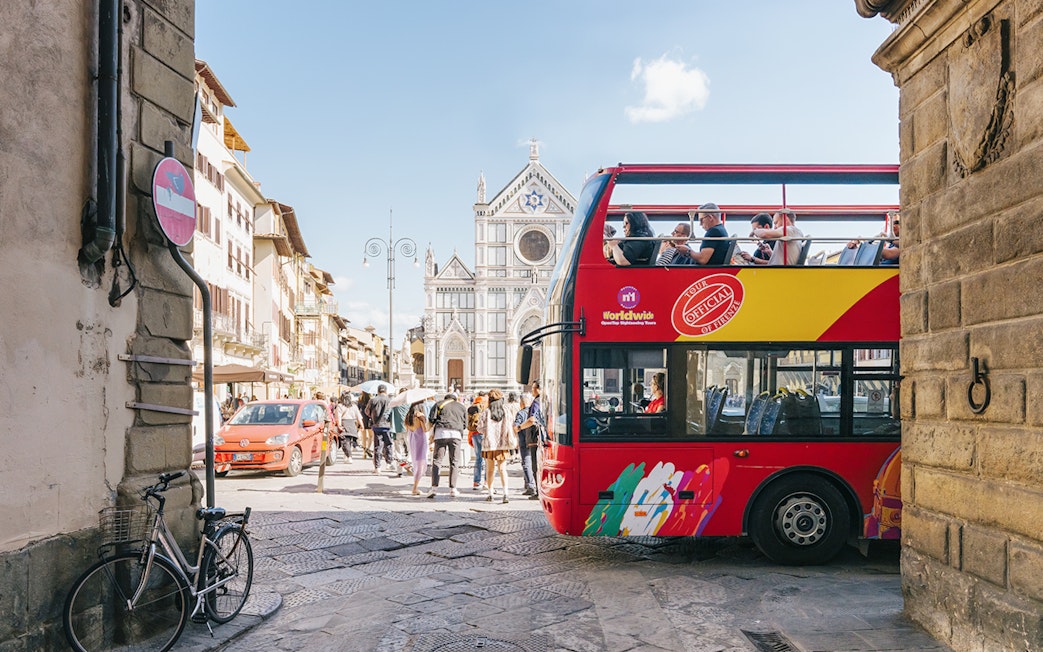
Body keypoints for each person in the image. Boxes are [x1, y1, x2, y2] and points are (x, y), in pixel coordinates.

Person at [477, 389, 518, 503]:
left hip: (489, 445)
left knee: (490, 470)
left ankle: (490, 494)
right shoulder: (506, 410)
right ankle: (505, 494)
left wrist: (488, 430)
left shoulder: (486, 412)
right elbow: (512, 424)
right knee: (502, 469)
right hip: (503, 444)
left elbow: (479, 428)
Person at [657, 203, 731, 266]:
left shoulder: (714, 231)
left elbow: (703, 259)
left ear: (710, 217)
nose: (700, 224)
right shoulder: (721, 231)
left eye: (702, 220)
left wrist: (688, 251)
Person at [427, 393, 467, 498]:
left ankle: (434, 488)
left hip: (441, 433)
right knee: (454, 462)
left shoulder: (439, 404)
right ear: (455, 399)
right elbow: (465, 424)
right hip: (456, 434)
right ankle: (453, 489)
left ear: (445, 399)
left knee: (437, 461)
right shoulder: (461, 407)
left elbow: (431, 419)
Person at [515, 380, 545, 499]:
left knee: (534, 466)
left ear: (538, 389)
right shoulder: (545, 400)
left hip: (534, 437)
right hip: (542, 437)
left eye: (533, 388)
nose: (532, 390)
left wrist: (520, 427)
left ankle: (537, 492)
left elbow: (532, 419)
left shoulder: (536, 402)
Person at [404, 401, 429, 495]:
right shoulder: (420, 417)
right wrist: (423, 419)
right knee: (421, 464)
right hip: (420, 441)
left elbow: (407, 428)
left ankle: (415, 485)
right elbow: (425, 429)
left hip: (412, 440)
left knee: (416, 462)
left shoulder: (408, 417)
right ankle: (415, 487)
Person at [366, 385, 393, 472]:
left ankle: (377, 467)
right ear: (386, 391)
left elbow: (367, 411)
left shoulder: (373, 400)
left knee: (377, 446)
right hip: (387, 426)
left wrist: (372, 416)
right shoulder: (390, 400)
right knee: (388, 444)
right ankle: (389, 463)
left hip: (376, 425)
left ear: (378, 391)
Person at [467, 392, 487, 490]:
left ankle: (476, 482)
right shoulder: (485, 405)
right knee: (487, 458)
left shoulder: (471, 407)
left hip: (474, 434)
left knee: (478, 458)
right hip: (483, 434)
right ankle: (487, 482)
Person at [390, 388, 410, 476]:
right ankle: (408, 463)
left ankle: (399, 471)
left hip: (397, 429)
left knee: (398, 450)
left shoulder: (394, 404)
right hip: (408, 429)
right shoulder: (410, 404)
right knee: (410, 449)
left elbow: (388, 415)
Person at [337, 394, 363, 462]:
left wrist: (339, 425)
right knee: (350, 441)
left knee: (345, 441)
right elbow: (358, 417)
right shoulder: (354, 406)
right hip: (352, 423)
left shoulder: (340, 406)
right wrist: (362, 425)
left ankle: (349, 456)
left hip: (344, 423)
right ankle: (347, 455)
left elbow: (338, 417)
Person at [358, 391, 373, 458]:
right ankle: (368, 448)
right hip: (370, 419)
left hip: (362, 419)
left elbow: (358, 411)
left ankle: (364, 453)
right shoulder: (371, 400)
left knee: (363, 437)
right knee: (371, 436)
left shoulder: (360, 401)